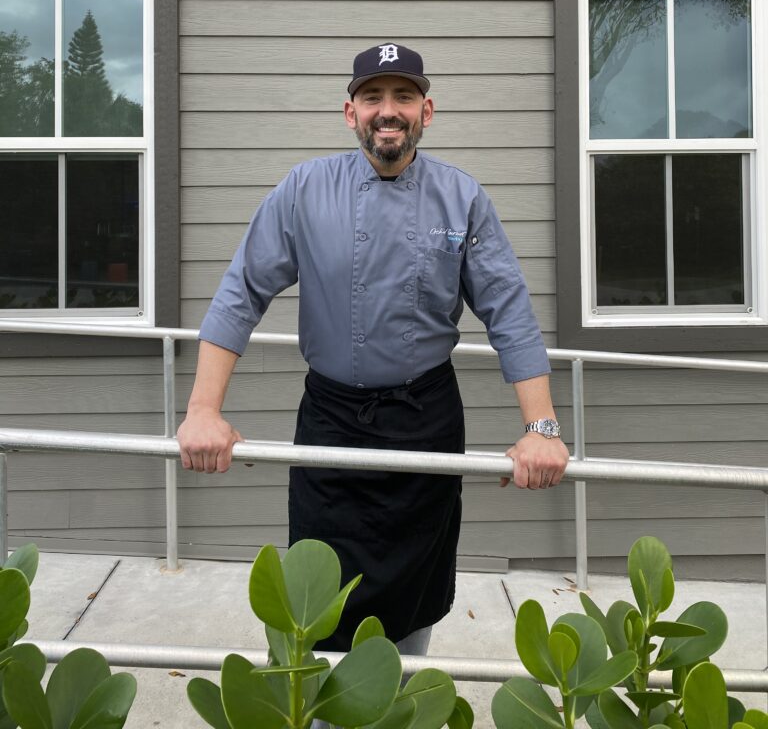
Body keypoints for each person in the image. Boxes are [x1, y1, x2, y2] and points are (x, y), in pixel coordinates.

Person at [177, 43, 569, 662]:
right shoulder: (304, 189)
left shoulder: (462, 198)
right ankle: (314, 697)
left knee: (414, 596)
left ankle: (402, 693)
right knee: (317, 592)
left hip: (426, 424)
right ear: (350, 112)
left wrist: (541, 427)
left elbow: (509, 312)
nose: (388, 110)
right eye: (373, 97)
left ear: (426, 112)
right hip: (330, 424)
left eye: (404, 96)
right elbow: (241, 293)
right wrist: (203, 410)